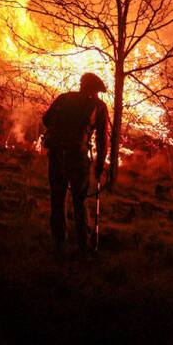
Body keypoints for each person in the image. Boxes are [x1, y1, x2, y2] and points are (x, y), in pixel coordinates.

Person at [42, 72, 109, 256]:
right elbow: (102, 139)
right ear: (95, 90)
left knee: (57, 198)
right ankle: (83, 245)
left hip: (56, 153)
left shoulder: (64, 98)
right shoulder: (99, 106)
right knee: (80, 200)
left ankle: (58, 244)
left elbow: (46, 120)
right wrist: (100, 164)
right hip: (77, 157)